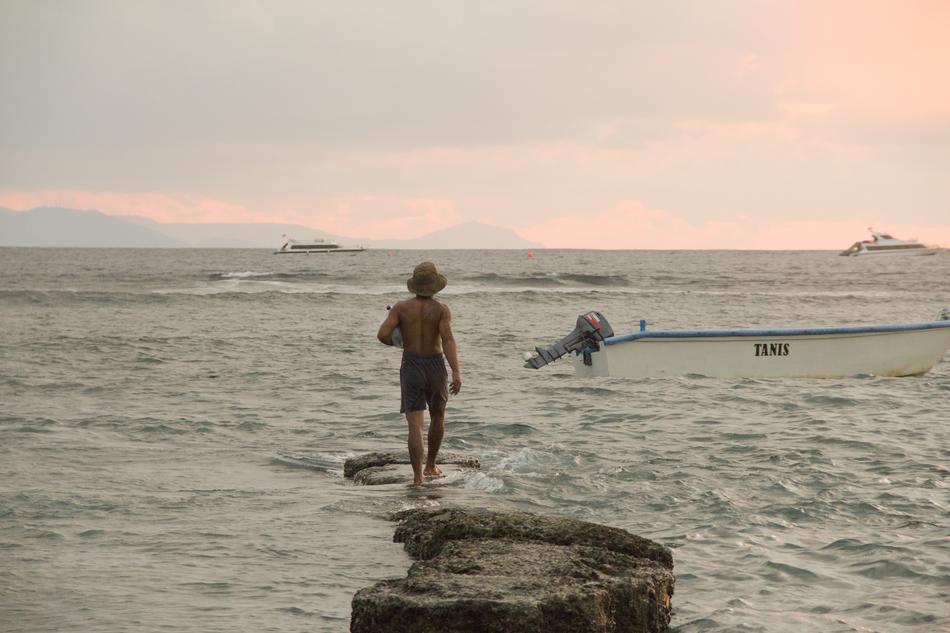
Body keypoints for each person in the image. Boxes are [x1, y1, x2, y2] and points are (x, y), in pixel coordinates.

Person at [377, 262, 462, 485]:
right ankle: (431, 465)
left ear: (415, 285)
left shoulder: (400, 308)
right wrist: (456, 371)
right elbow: (448, 340)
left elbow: (382, 335)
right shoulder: (441, 310)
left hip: (411, 364)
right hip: (435, 365)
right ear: (435, 285)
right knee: (438, 416)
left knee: (415, 424)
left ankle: (417, 479)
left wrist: (399, 342)